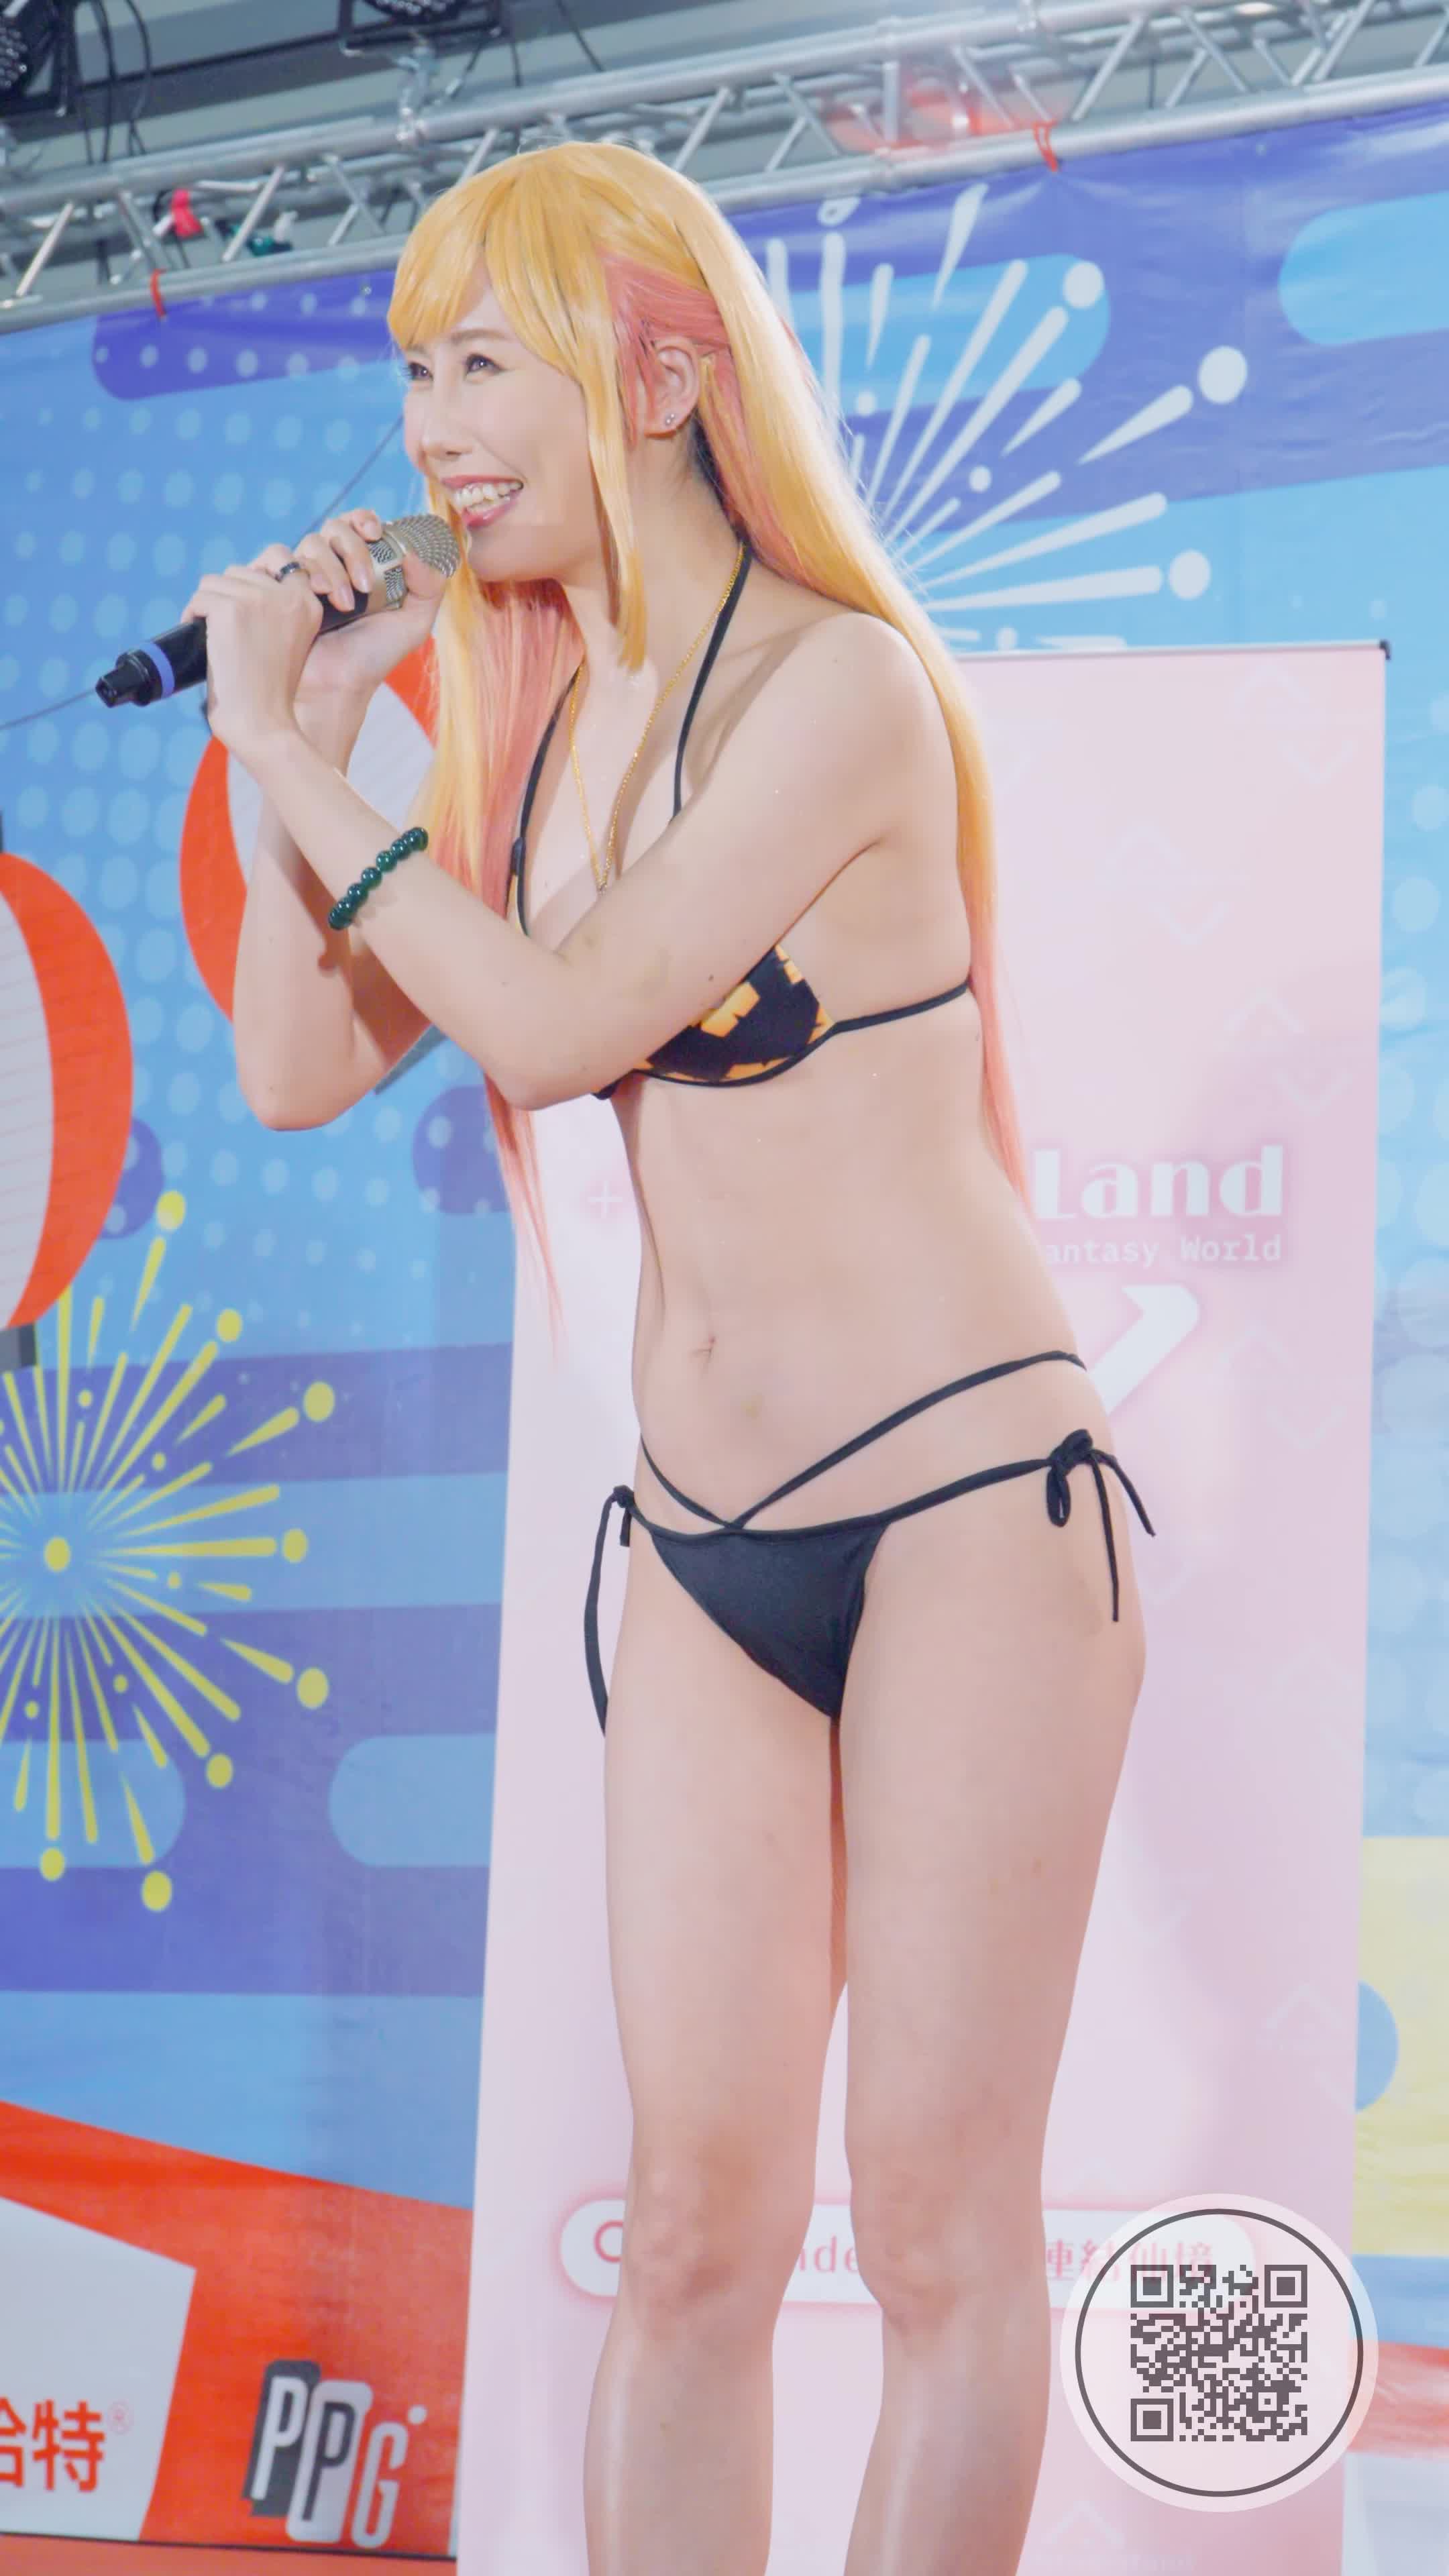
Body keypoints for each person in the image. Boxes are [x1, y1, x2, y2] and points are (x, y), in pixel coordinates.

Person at [184, 139, 1153, 2576]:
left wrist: (295, 760)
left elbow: (561, 1026)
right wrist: (309, 734)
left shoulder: (842, 690)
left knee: (936, 2236)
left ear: (659, 373)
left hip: (967, 1509)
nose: (431, 425)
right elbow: (297, 1068)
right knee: (695, 2241)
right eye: (411, 369)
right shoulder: (524, 731)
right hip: (707, 1544)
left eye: (480, 360)